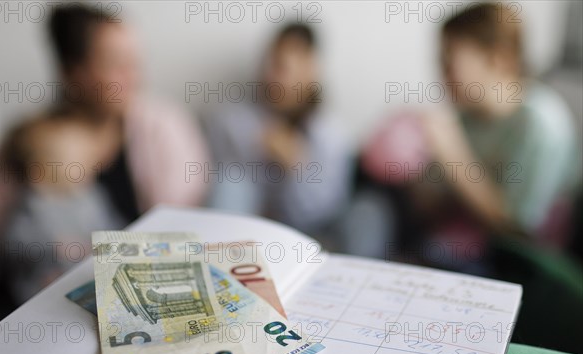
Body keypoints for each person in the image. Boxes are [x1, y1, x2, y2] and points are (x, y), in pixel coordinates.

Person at [0, 4, 209, 307]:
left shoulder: (163, 129)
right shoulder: (31, 140)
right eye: (116, 64)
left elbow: (183, 226)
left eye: (135, 62)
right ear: (73, 73)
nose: (133, 76)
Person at [352, 3, 579, 269]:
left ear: (497, 59)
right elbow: (432, 206)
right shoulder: (466, 117)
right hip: (454, 238)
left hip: (516, 260)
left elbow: (517, 231)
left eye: (451, 62)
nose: (442, 75)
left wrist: (452, 153)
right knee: (370, 205)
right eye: (440, 62)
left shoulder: (540, 123)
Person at [206, 24, 352, 237]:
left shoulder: (331, 136)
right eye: (272, 64)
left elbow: (324, 213)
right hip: (242, 236)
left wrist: (296, 168)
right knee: (231, 182)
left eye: (285, 68)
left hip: (302, 237)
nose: (274, 78)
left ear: (311, 70)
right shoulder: (234, 121)